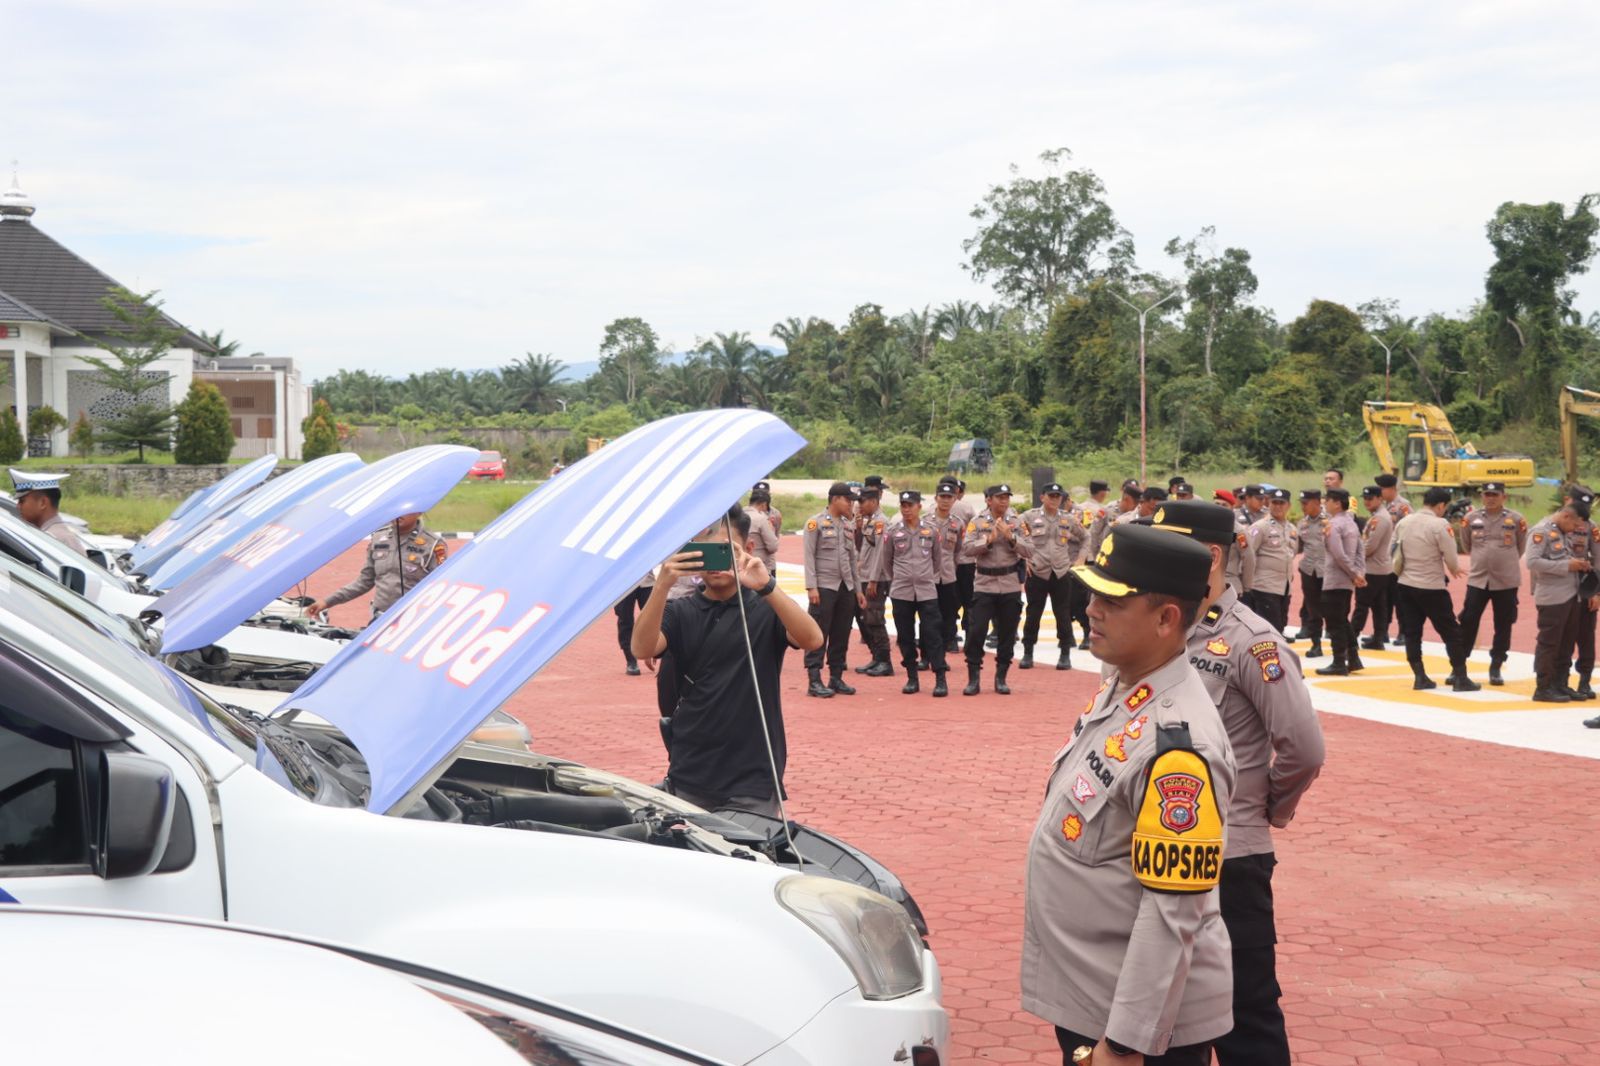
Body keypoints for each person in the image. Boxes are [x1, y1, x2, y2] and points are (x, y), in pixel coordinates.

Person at [1021, 522, 1236, 1065]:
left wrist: (1125, 1043)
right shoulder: (1127, 683)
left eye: (1112, 601)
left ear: (1166, 619)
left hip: (1137, 1026)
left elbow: (1173, 909)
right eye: (1093, 593)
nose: (1090, 609)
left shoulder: (1178, 745)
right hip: (1095, 994)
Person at [1139, 500, 1326, 1066]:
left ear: (1211, 556)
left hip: (1229, 858)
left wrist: (1264, 806)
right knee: (1160, 1014)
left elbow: (1303, 748)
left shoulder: (1252, 641)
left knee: (1247, 1013)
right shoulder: (1156, 626)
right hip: (1155, 852)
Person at [630, 506, 824, 817]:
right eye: (704, 552)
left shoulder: (766, 608)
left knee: (750, 860)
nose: (714, 563)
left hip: (754, 776)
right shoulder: (681, 611)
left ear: (747, 549)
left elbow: (813, 640)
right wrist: (662, 586)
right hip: (692, 771)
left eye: (723, 550)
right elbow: (642, 648)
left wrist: (767, 586)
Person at [1392, 487, 1478, 691]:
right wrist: (1455, 569)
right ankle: (1460, 676)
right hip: (1431, 585)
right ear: (1441, 505)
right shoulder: (1440, 524)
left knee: (1412, 632)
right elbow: (1450, 555)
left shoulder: (1404, 521)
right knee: (1450, 632)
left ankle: (1420, 676)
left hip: (1405, 584)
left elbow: (1394, 549)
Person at [305, 512, 448, 623]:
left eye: (406, 510)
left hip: (414, 622)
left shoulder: (433, 544)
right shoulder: (379, 538)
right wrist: (327, 602)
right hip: (379, 620)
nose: (399, 514)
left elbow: (441, 588)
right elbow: (364, 582)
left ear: (419, 511)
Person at [873, 490, 949, 697]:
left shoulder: (931, 531)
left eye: (910, 505)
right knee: (905, 636)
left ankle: (940, 677)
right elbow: (886, 562)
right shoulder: (893, 531)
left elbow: (937, 561)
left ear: (919, 507)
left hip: (926, 591)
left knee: (933, 634)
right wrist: (899, 578)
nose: (906, 509)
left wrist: (924, 577)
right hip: (902, 592)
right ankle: (912, 677)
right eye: (903, 505)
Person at [962, 484, 1032, 695]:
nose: (1004, 501)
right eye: (999, 498)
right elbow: (966, 549)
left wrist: (1012, 538)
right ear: (988, 500)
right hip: (984, 583)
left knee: (1007, 633)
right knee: (976, 632)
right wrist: (988, 540)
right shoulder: (977, 522)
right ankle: (973, 678)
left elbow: (1030, 549)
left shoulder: (1017, 522)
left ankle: (1001, 677)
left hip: (1009, 583)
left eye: (1006, 497)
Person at [1454, 482, 1526, 686]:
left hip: (1506, 581)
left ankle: (1496, 666)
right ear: (1481, 496)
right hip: (1478, 580)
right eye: (1487, 494)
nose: (1491, 498)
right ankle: (1459, 666)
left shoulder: (1516, 519)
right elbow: (1467, 545)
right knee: (1468, 620)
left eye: (1495, 494)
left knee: (1503, 624)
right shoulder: (1470, 519)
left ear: (1504, 496)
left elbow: (1521, 547)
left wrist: (1502, 560)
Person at [1526, 501, 1596, 703]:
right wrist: (1568, 566)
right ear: (1566, 517)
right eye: (1574, 526)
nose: (1576, 531)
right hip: (1552, 597)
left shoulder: (1563, 532)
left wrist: (1580, 566)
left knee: (1566, 643)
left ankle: (1561, 684)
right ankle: (1543, 687)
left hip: (1572, 595)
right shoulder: (1541, 531)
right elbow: (1532, 562)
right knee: (1549, 643)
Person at [801, 482, 864, 698]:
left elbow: (852, 558)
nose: (851, 505)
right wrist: (811, 586)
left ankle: (836, 677)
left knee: (841, 632)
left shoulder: (848, 525)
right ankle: (814, 679)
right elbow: (808, 556)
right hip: (824, 586)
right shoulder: (815, 523)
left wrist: (858, 590)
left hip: (845, 587)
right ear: (835, 499)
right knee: (818, 633)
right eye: (848, 500)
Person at [1020, 483, 1085, 670]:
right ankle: (1028, 652)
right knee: (1033, 613)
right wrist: (1023, 558)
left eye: (1058, 496)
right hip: (1037, 570)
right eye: (1051, 495)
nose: (1055, 499)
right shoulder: (1029, 517)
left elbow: (1086, 537)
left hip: (1061, 571)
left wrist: (1080, 559)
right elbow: (1014, 537)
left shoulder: (1068, 519)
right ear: (1042, 497)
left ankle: (1065, 653)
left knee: (1063, 613)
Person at [1315, 489, 1366, 676]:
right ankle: (1353, 657)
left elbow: (1338, 554)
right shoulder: (1351, 523)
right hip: (1347, 580)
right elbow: (1361, 550)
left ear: (1336, 503)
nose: (1325, 504)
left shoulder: (1334, 525)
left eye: (1327, 501)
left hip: (1336, 579)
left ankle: (1339, 661)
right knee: (1342, 619)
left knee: (1334, 621)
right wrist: (1359, 572)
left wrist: (1354, 573)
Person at [1240, 488, 1298, 633]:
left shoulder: (1291, 529)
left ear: (1288, 505)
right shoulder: (1260, 527)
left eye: (1282, 503)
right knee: (1270, 629)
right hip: (1264, 587)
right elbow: (1247, 554)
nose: (1278, 506)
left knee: (1280, 627)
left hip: (1284, 588)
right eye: (1274, 502)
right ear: (1269, 503)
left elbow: (1291, 554)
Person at [851, 487, 895, 677]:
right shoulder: (870, 521)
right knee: (865, 618)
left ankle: (885, 661)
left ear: (874, 502)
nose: (859, 505)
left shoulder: (881, 522)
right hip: (866, 574)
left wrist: (873, 580)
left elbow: (880, 554)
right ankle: (877, 657)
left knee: (875, 618)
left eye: (862, 502)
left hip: (875, 578)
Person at [1562, 485, 1599, 701]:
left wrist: (1597, 593)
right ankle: (1561, 681)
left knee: (1586, 636)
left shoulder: (1591, 528)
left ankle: (1584, 681)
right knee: (1561, 636)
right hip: (1560, 590)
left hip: (1585, 588)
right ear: (1567, 500)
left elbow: (1599, 560)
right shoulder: (1552, 525)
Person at [1350, 488, 1394, 650]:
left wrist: (1356, 556)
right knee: (1379, 605)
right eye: (1365, 498)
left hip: (1372, 568)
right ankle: (1378, 637)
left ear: (1379, 499)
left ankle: (1352, 636)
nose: (1366, 501)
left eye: (1370, 498)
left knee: (1362, 604)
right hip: (1381, 568)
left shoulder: (1380, 519)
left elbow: (1369, 546)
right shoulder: (1379, 516)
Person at [8, 469, 88, 556]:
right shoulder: (50, 536)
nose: (18, 506)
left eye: (22, 501)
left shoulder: (59, 540)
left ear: (43, 503)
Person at [929, 479, 966, 658]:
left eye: (949, 497)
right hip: (929, 577)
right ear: (936, 498)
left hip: (948, 576)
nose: (945, 500)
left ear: (954, 499)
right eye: (942, 496)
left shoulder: (958, 523)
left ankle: (942, 654)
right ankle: (927, 655)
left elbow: (959, 551)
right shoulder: (925, 522)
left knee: (948, 615)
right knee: (929, 618)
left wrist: (952, 567)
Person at [1291, 490, 1326, 658]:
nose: (1302, 507)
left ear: (1316, 502)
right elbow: (1297, 546)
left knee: (1334, 609)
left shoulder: (1330, 520)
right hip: (1308, 570)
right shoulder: (1302, 523)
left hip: (1327, 571)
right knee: (1313, 610)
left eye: (1305, 503)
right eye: (1301, 503)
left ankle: (1342, 646)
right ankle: (1316, 644)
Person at [614, 571, 655, 675]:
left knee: (652, 619)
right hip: (624, 584)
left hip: (647, 582)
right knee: (625, 620)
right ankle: (631, 660)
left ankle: (653, 650)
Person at [745, 484, 781, 573]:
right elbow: (773, 545)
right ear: (764, 504)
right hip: (760, 565)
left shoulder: (738, 515)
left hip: (741, 563)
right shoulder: (761, 518)